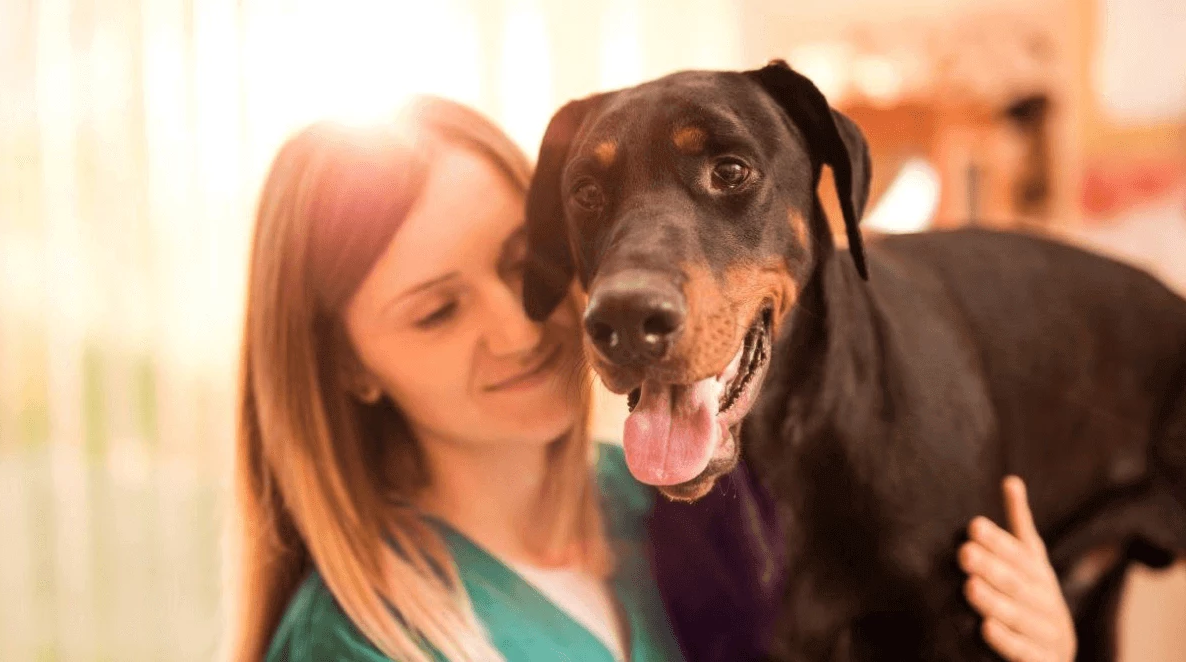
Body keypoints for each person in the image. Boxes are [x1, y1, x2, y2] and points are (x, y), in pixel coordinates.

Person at [223, 96, 1076, 662]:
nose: (521, 322)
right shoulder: (357, 643)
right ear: (348, 367)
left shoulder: (701, 506)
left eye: (525, 264)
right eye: (436, 312)